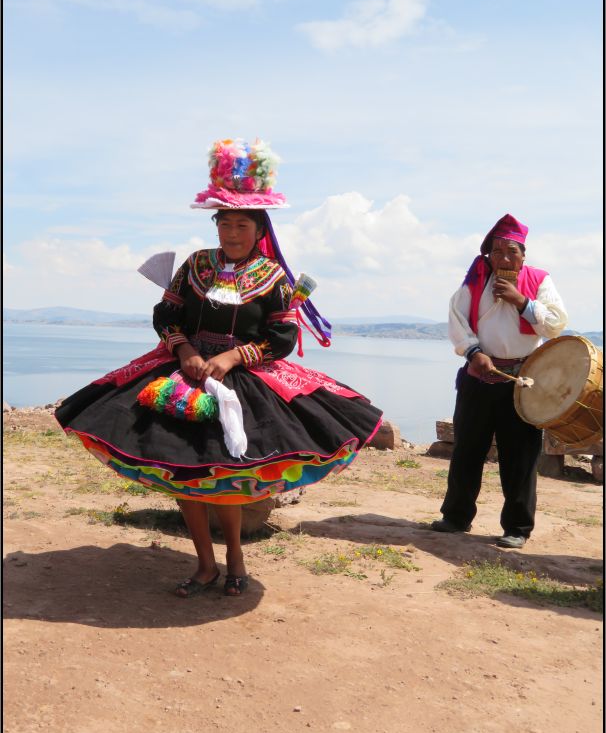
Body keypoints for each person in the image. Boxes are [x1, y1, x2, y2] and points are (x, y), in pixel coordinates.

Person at [55, 138, 383, 595]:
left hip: (243, 381)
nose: (232, 233)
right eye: (224, 223)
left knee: (226, 480)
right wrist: (184, 351)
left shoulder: (272, 277)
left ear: (259, 228)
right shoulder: (195, 265)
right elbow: (166, 314)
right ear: (215, 225)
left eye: (242, 224)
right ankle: (204, 564)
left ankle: (235, 559)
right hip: (183, 373)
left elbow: (282, 336)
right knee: (186, 477)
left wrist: (232, 357)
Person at [431, 214, 568, 548]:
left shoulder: (539, 280)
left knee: (520, 455)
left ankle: (517, 528)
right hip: (478, 374)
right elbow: (457, 320)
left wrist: (522, 301)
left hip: (522, 379)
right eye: (498, 252)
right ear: (488, 255)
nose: (505, 259)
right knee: (467, 448)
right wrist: (475, 353)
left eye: (512, 252)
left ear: (523, 255)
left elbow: (555, 325)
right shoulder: (475, 280)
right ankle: (456, 516)